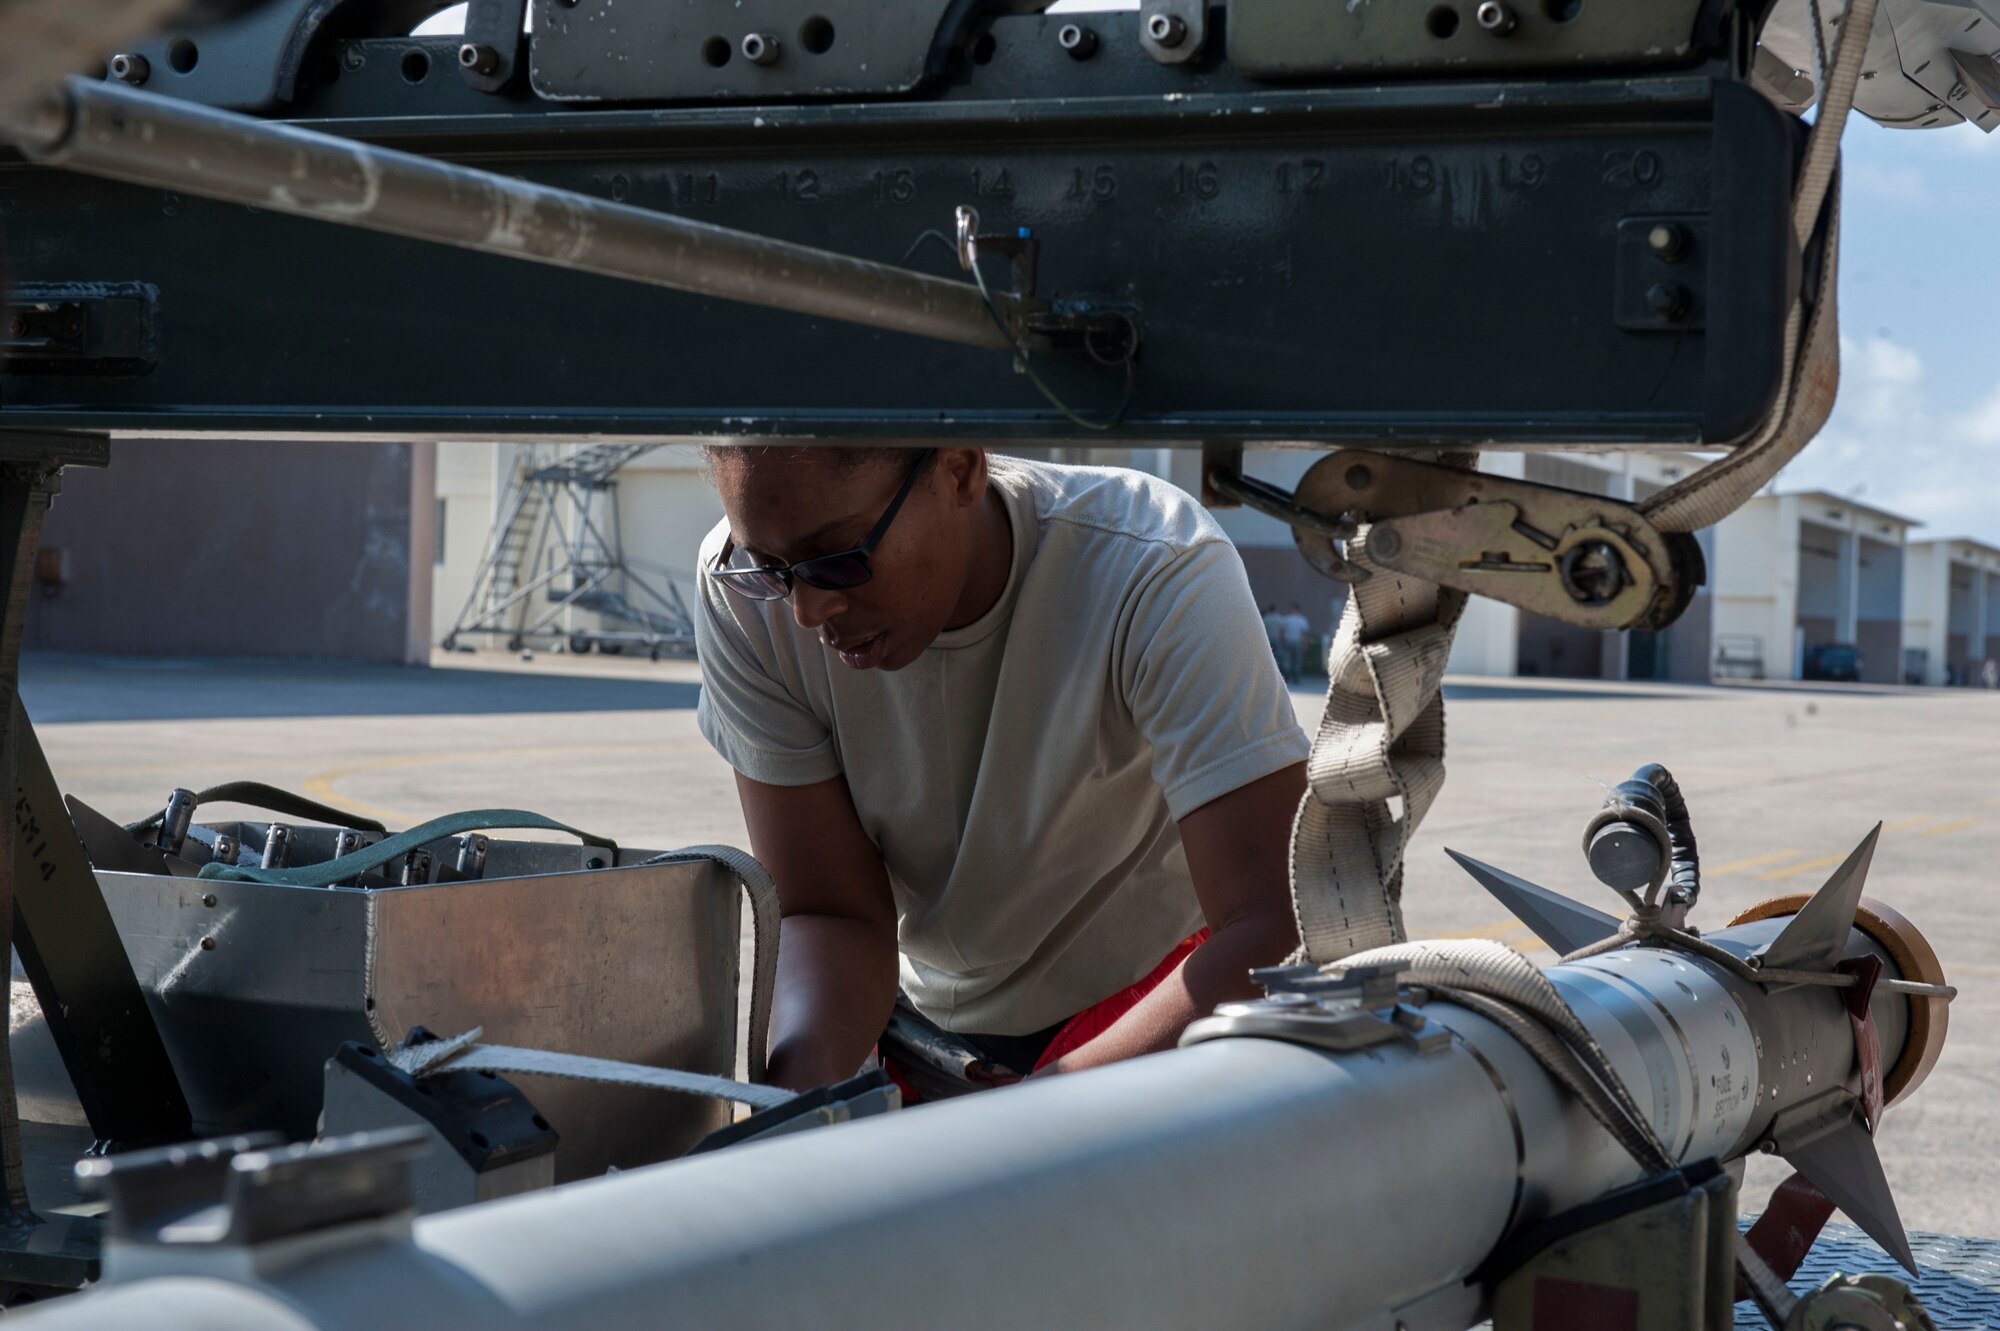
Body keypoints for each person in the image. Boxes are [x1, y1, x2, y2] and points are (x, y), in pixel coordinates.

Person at [695, 447, 1309, 1093]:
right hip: (924, 1028)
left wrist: (1023, 1120)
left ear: (960, 469)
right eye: (770, 569)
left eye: (840, 558)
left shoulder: (1152, 567)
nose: (805, 611)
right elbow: (833, 914)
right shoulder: (742, 594)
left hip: (1156, 1010)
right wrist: (803, 1098)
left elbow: (1275, 925)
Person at [1277, 602, 1312, 683]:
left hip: (1288, 641)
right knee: (1297, 660)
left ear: (1292, 609)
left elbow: (1282, 632)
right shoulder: (1302, 620)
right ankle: (1296, 677)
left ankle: (1287, 675)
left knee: (1287, 659)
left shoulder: (1286, 619)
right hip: (1297, 641)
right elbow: (1304, 634)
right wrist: (1305, 644)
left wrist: (1282, 641)